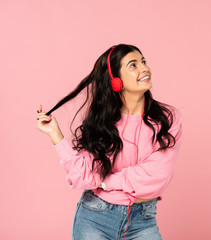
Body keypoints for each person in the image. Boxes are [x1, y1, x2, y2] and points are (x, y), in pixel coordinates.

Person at [36, 44, 182, 240]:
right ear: (115, 80)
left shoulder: (167, 118)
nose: (144, 68)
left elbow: (156, 176)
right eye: (133, 65)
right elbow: (82, 176)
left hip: (143, 220)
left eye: (143, 62)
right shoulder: (102, 123)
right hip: (95, 218)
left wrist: (105, 181)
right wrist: (55, 134)